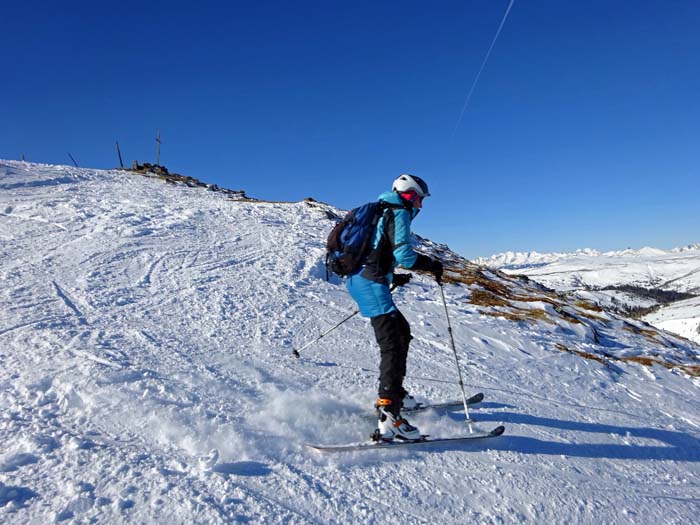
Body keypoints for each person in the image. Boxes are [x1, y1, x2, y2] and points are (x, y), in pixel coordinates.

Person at [345, 174, 443, 441]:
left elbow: (377, 250)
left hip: (363, 280)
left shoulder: (380, 210)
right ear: (404, 194)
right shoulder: (397, 212)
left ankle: (396, 394)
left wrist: (391, 275)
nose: (419, 205)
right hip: (370, 284)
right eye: (415, 198)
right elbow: (405, 256)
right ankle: (390, 417)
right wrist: (432, 265)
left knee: (402, 332)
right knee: (393, 343)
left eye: (420, 199)